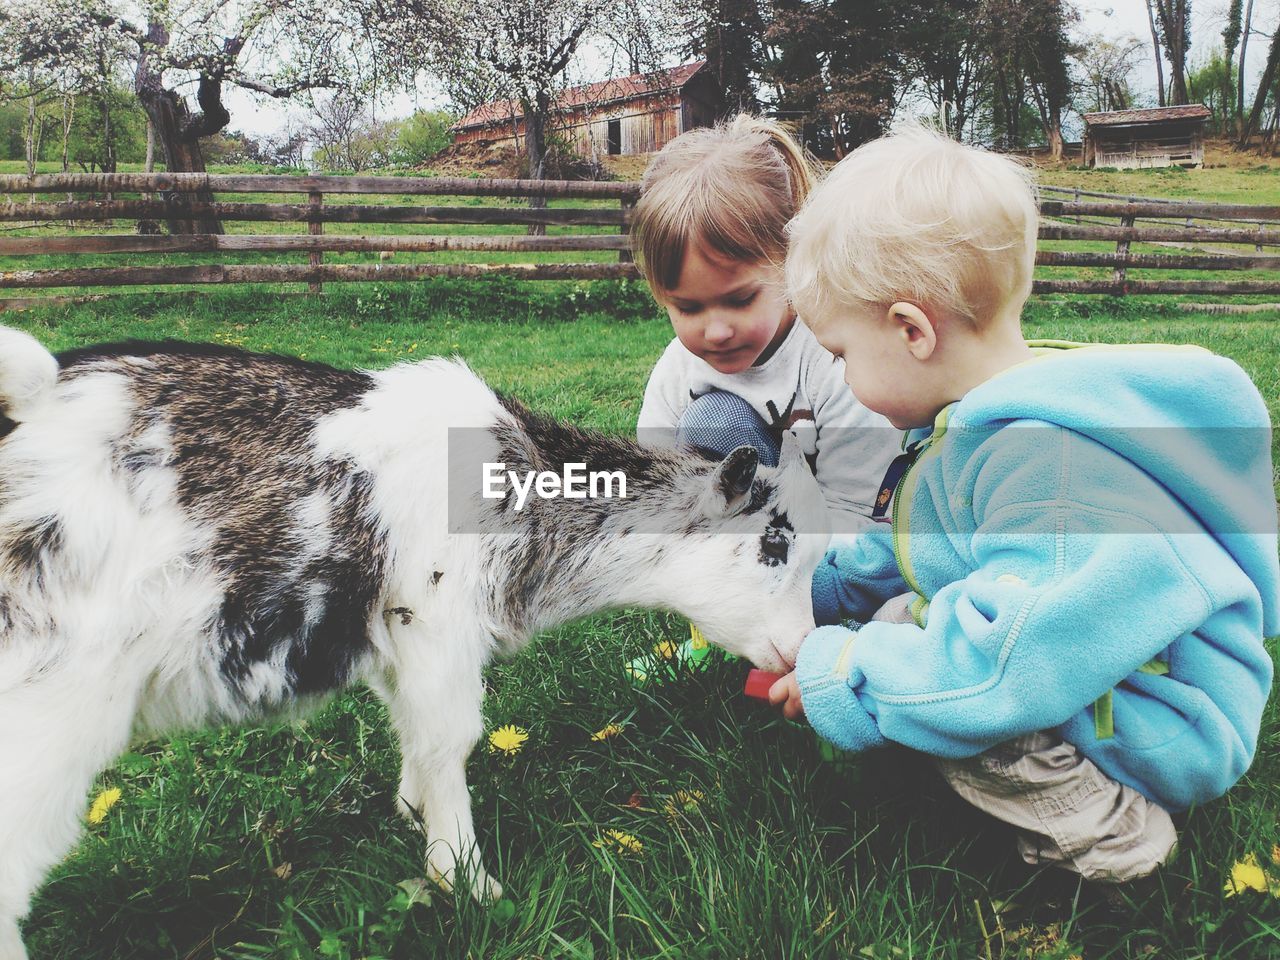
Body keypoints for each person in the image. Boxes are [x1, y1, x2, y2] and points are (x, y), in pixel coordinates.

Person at [770, 124, 1279, 885]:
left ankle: (1113, 837)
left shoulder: (1047, 468)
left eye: (841, 354)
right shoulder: (968, 424)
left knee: (956, 700)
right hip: (1102, 671)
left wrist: (845, 674)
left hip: (1162, 717)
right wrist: (810, 592)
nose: (839, 379)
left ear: (911, 330)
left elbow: (1005, 667)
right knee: (898, 632)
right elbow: (924, 539)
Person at [633, 115, 897, 534]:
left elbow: (857, 511)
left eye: (740, 300)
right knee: (715, 419)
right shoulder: (679, 369)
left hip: (826, 542)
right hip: (733, 544)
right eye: (687, 308)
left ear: (790, 259)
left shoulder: (835, 360)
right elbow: (649, 484)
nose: (716, 331)